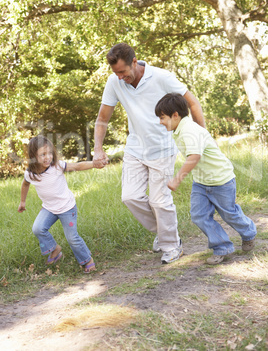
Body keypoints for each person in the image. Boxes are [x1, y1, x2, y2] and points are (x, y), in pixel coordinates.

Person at [93, 43, 205, 264]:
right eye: (116, 73)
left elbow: (192, 102)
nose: (120, 77)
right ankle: (164, 234)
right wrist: (98, 148)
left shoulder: (161, 77)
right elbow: (102, 119)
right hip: (135, 147)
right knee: (130, 196)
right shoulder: (114, 82)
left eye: (123, 72)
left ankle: (172, 245)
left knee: (159, 201)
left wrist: (202, 136)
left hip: (162, 147)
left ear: (134, 62)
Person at [155, 93, 257, 265]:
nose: (160, 122)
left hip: (221, 181)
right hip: (201, 183)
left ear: (175, 115)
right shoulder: (180, 129)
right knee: (198, 215)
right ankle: (222, 247)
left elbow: (194, 156)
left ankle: (249, 232)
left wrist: (177, 179)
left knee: (229, 214)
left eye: (162, 117)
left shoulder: (189, 130)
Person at [18, 135, 104, 273]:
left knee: (72, 237)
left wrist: (94, 164)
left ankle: (87, 260)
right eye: (43, 154)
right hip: (49, 209)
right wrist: (22, 202)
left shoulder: (57, 166)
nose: (48, 157)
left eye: (50, 153)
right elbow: (25, 184)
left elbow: (77, 166)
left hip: (67, 208)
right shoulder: (30, 173)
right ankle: (55, 250)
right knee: (38, 228)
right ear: (33, 156)